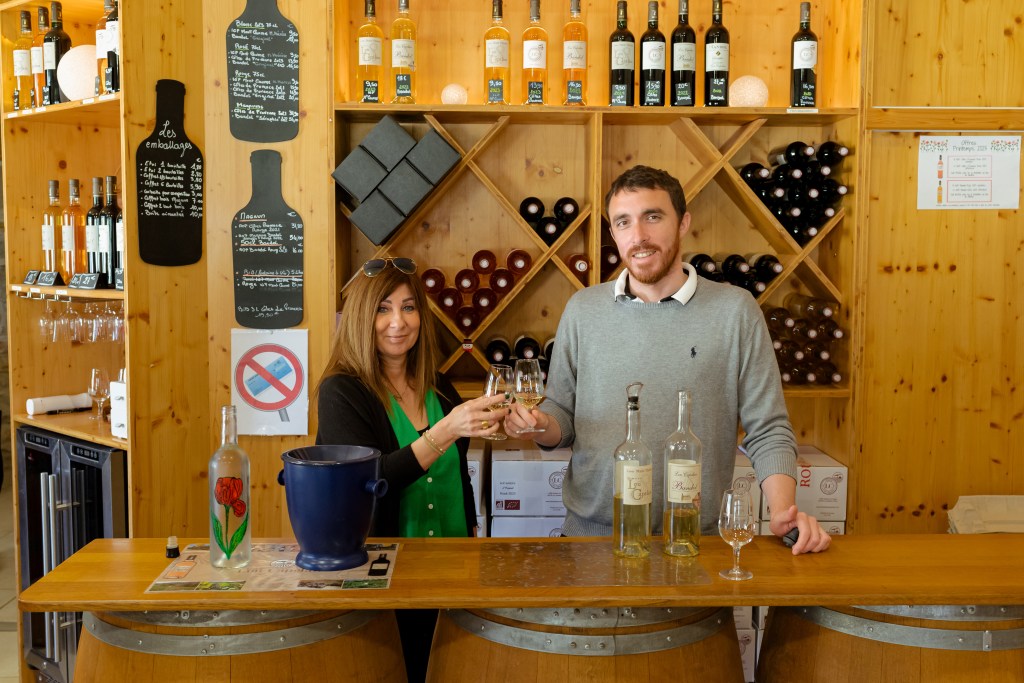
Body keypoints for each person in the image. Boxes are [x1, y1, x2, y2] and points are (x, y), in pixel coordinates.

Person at [506, 165, 831, 555]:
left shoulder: (735, 311)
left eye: (653, 217)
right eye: (623, 222)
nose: (638, 236)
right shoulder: (583, 310)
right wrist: (540, 424)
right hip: (591, 542)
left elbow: (769, 428)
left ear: (683, 223)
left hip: (694, 543)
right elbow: (562, 417)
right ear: (613, 233)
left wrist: (783, 512)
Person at [315, 256, 506, 681]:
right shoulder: (343, 390)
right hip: (385, 575)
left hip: (453, 567)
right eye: (383, 309)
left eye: (408, 306)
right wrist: (445, 431)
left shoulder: (440, 386)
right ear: (362, 317)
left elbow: (456, 473)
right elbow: (367, 481)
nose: (397, 322)